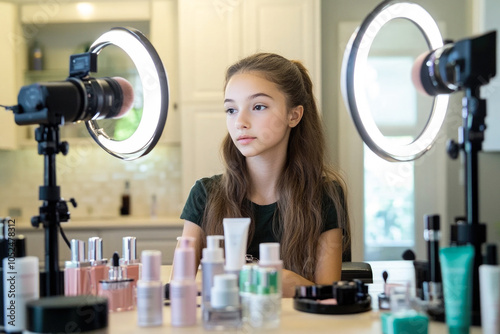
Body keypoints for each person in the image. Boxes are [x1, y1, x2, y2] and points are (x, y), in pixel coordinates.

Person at [178, 52, 351, 298]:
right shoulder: (205, 195)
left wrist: (292, 283)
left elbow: (328, 297)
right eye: (230, 110)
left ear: (294, 115)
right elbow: (179, 289)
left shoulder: (324, 195)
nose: (240, 122)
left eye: (258, 106)